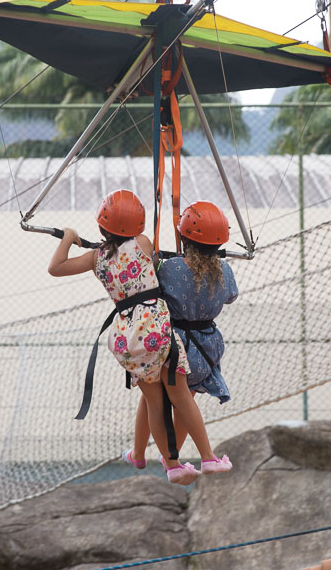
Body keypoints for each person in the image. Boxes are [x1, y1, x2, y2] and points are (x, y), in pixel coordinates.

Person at [48, 189, 232, 485]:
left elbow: (55, 268)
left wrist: (69, 237)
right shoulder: (144, 244)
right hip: (155, 328)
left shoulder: (96, 257)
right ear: (139, 227)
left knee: (154, 402)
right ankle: (208, 457)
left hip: (125, 337)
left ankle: (170, 465)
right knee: (181, 396)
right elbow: (159, 259)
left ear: (101, 227)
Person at [122, 201, 238, 469]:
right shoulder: (226, 273)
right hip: (207, 344)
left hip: (171, 346)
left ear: (184, 237)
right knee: (188, 401)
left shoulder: (170, 268)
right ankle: (168, 453)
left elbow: (152, 286)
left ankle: (139, 452)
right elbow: (231, 296)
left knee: (151, 398)